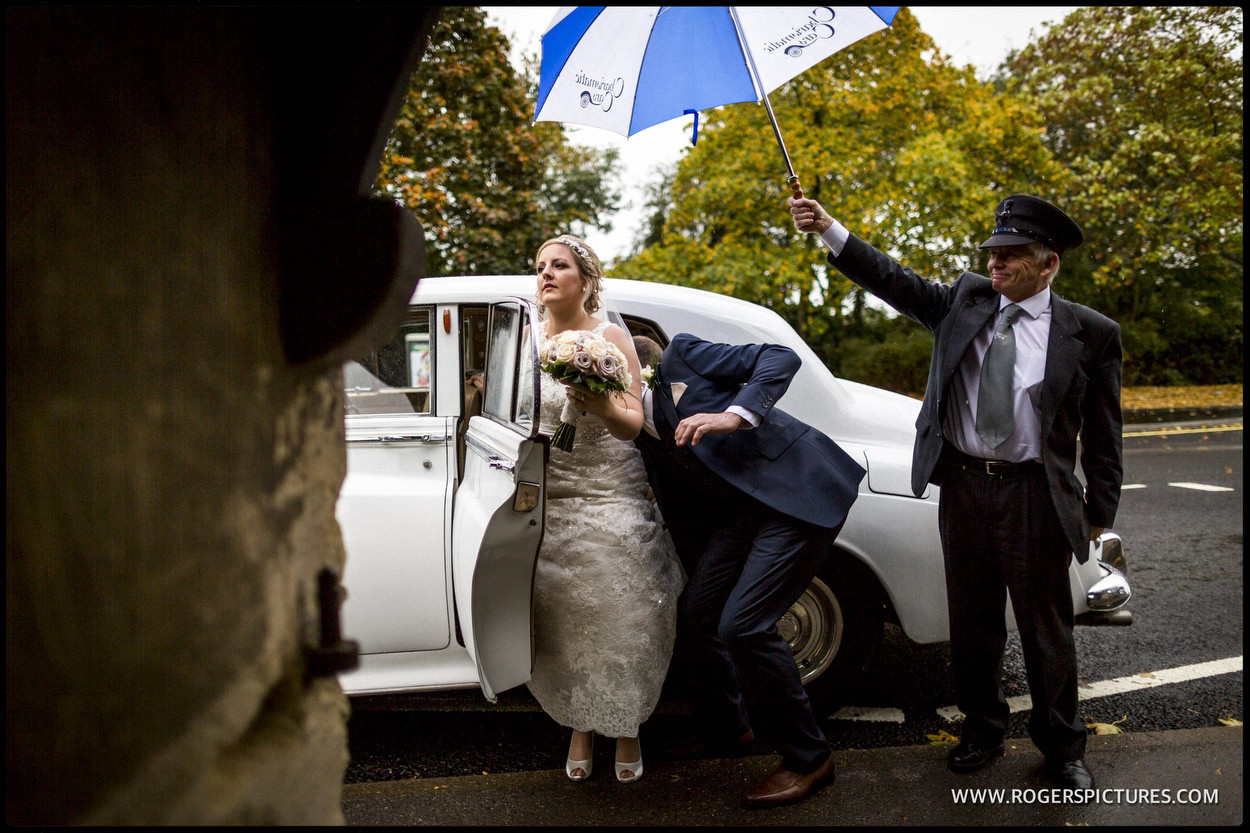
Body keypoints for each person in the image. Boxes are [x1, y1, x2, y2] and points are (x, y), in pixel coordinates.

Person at [789, 192, 1123, 791]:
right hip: (964, 487)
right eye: (992, 252)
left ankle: (1062, 748)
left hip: (1036, 499)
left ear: (1049, 264)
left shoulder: (1091, 334)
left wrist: (1100, 513)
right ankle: (981, 729)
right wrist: (829, 229)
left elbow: (1104, 435)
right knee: (971, 621)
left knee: (1047, 630)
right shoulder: (965, 302)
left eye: (1012, 255)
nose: (995, 263)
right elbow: (892, 279)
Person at [631, 330, 866, 807]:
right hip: (742, 515)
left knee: (744, 625)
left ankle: (809, 757)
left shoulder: (683, 356)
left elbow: (781, 357)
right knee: (697, 613)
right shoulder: (631, 424)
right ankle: (729, 731)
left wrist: (732, 415)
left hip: (797, 495)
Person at [525, 234, 685, 785]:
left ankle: (625, 725)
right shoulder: (527, 340)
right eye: (541, 266)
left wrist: (593, 399)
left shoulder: (608, 337)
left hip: (608, 487)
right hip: (553, 492)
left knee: (618, 609)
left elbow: (633, 424)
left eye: (559, 265)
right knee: (563, 615)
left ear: (585, 281)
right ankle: (580, 723)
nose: (546, 273)